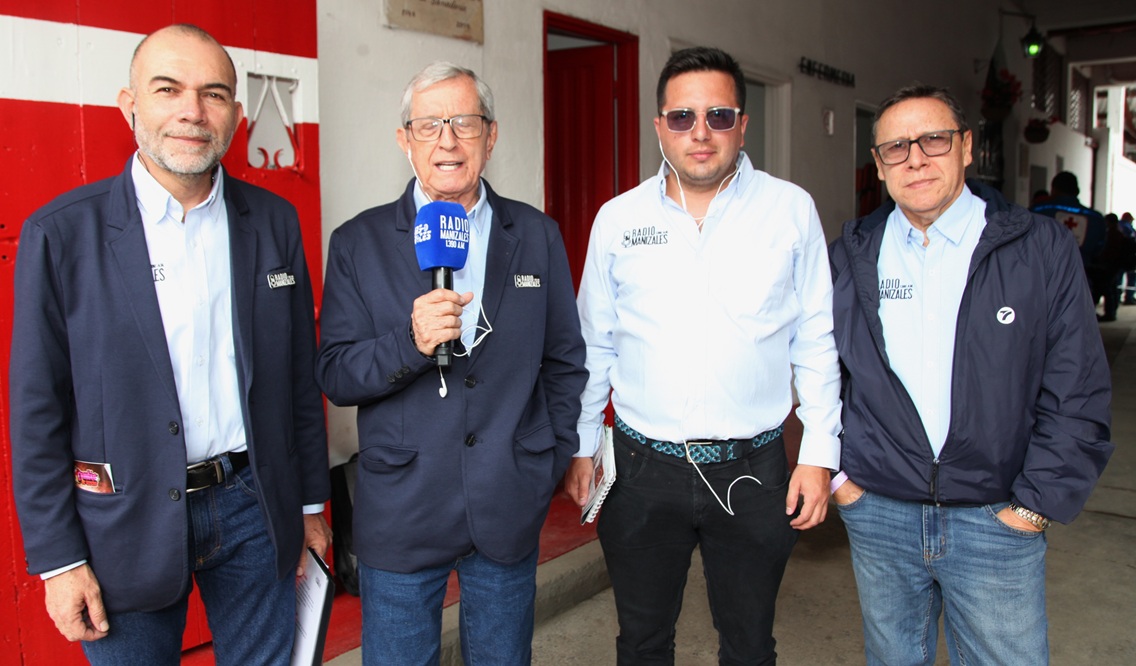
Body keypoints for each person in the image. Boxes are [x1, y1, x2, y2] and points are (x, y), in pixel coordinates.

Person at [9, 24, 332, 665]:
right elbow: (36, 411)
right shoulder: (60, 235)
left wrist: (310, 507)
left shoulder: (273, 223)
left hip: (252, 504)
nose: (192, 111)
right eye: (168, 89)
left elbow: (298, 376)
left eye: (214, 94)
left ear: (237, 117)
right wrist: (58, 561)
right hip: (123, 518)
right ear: (129, 105)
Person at [568, 46, 842, 665]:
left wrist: (820, 455)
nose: (700, 133)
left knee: (748, 645)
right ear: (659, 126)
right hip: (640, 472)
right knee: (641, 642)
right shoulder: (617, 220)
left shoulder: (789, 211)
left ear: (743, 124)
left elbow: (816, 340)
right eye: (682, 117)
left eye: (718, 116)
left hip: (752, 472)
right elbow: (596, 344)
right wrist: (582, 445)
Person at [829, 84, 1113, 665]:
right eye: (895, 148)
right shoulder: (853, 251)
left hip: (996, 515)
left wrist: (1033, 507)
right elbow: (816, 370)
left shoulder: (1039, 247)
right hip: (879, 511)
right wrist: (841, 482)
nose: (915, 158)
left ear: (965, 148)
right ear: (879, 166)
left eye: (933, 139)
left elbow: (1077, 388)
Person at [315, 62, 587, 665]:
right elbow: (334, 373)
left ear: (491, 137)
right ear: (404, 140)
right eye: (429, 124)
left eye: (464, 122)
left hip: (509, 497)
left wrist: (548, 456)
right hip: (403, 506)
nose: (448, 141)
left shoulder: (537, 235)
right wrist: (408, 342)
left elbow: (565, 359)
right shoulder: (358, 243)